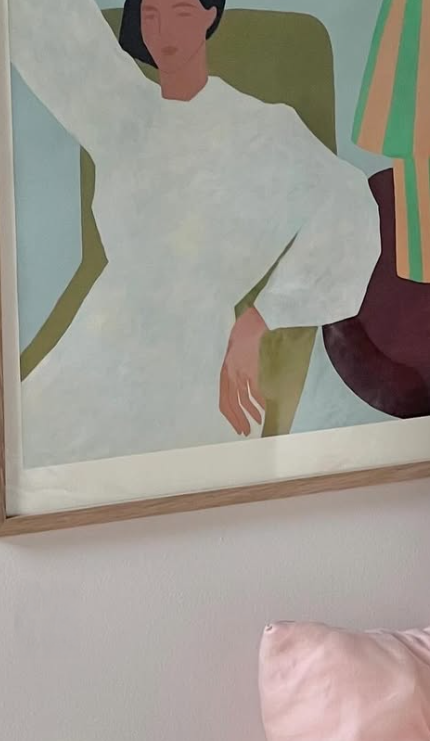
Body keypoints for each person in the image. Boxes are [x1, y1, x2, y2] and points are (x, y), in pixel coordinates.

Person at [11, 0, 381, 466]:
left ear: (210, 15)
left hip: (197, 363)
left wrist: (259, 321)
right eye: (150, 17)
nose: (164, 31)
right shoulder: (123, 109)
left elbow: (350, 210)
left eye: (182, 12)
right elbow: (43, 22)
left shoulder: (264, 130)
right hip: (101, 345)